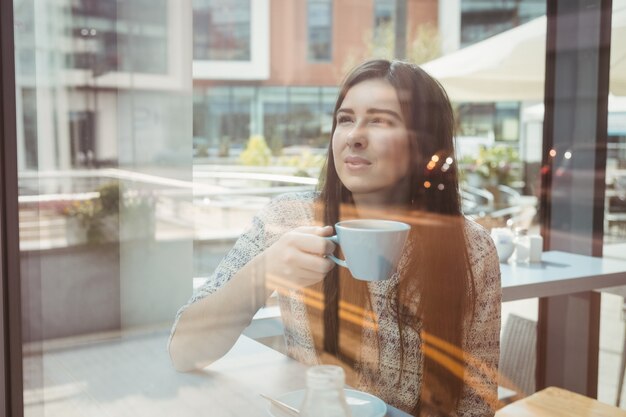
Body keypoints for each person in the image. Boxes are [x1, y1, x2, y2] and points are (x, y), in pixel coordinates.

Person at [168, 59, 501, 416]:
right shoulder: (288, 220)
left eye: (380, 120)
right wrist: (263, 273)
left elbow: (476, 406)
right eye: (345, 119)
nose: (354, 136)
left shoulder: (471, 248)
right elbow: (184, 352)